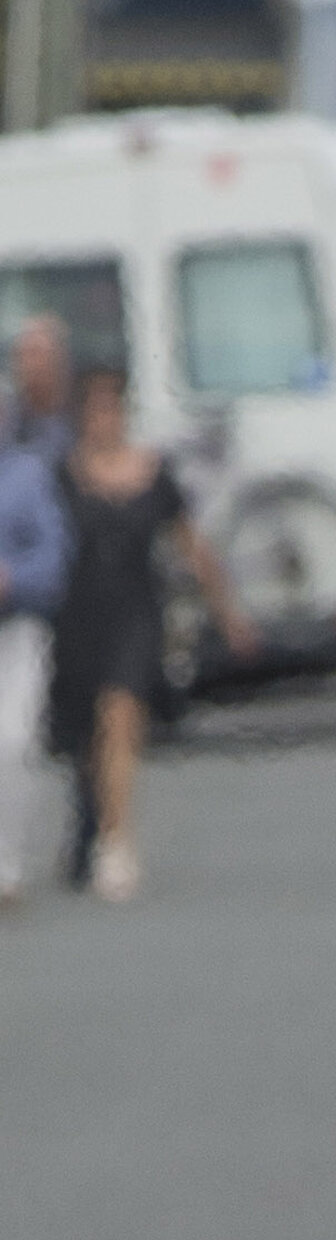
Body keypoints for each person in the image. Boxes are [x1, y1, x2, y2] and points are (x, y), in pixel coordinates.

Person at [49, 364, 236, 905]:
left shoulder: (154, 473)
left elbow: (189, 543)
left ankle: (118, 840)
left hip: (136, 610)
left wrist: (226, 611)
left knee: (121, 711)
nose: (104, 418)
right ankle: (92, 829)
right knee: (89, 733)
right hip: (79, 614)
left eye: (113, 407)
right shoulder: (63, 474)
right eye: (94, 408)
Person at [0, 372, 64, 908]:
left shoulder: (28, 476)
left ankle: (7, 863)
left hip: (16, 625)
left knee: (15, 741)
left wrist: (11, 577)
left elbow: (53, 558)